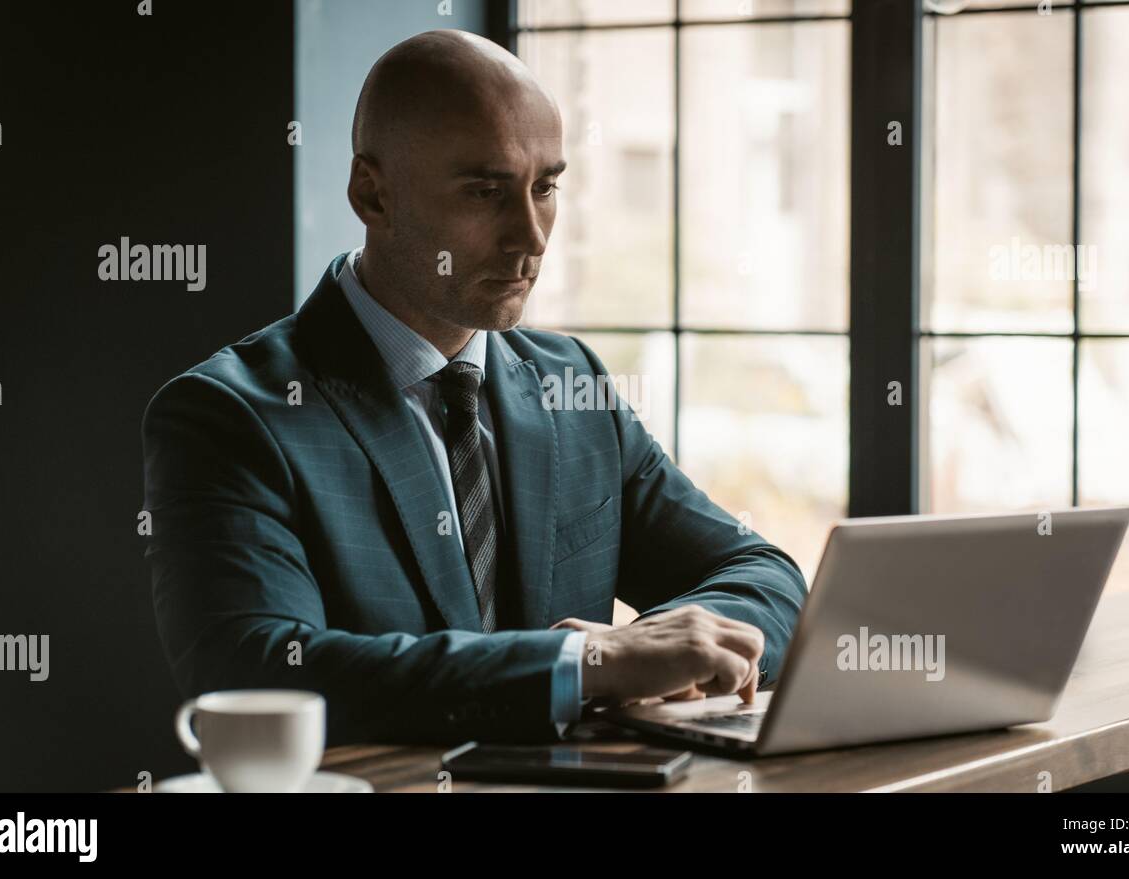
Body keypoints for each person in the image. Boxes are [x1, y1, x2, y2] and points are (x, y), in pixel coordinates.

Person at [141, 29, 806, 746]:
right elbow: (255, 672)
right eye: (486, 191)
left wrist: (673, 647)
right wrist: (587, 662)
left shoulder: (571, 387)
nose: (532, 236)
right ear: (374, 193)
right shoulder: (230, 415)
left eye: (546, 186)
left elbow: (763, 572)